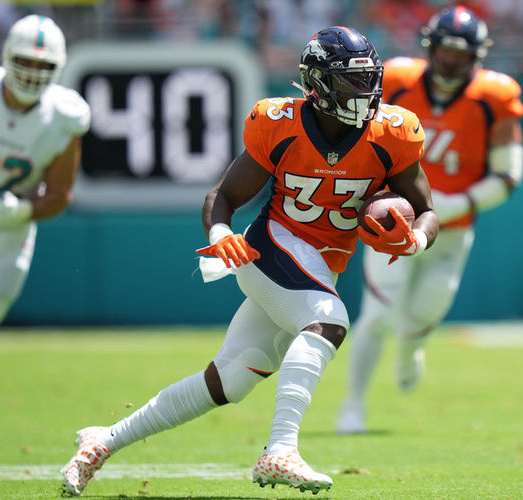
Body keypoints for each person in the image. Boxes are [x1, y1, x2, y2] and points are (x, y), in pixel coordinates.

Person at [60, 26, 439, 496]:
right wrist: (220, 233)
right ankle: (280, 450)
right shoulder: (279, 122)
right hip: (272, 245)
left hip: (322, 264)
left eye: (368, 80)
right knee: (328, 322)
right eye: (349, 82)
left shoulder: (393, 132)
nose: (364, 93)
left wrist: (416, 242)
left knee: (229, 381)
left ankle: (103, 441)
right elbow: (224, 196)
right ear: (318, 84)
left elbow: (425, 210)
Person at [336, 5, 523, 434]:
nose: (452, 61)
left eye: (461, 54)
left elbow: (508, 177)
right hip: (392, 221)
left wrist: (439, 208)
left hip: (451, 232)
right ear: (430, 47)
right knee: (379, 315)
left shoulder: (494, 97)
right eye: (445, 50)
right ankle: (352, 404)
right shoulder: (398, 82)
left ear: (477, 56)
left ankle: (410, 352)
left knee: (422, 318)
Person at [0, 15, 89, 358]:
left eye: (43, 64)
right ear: (6, 55)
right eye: (25, 60)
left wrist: (24, 209)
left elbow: (59, 193)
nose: (32, 71)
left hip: (7, 239)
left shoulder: (64, 117)